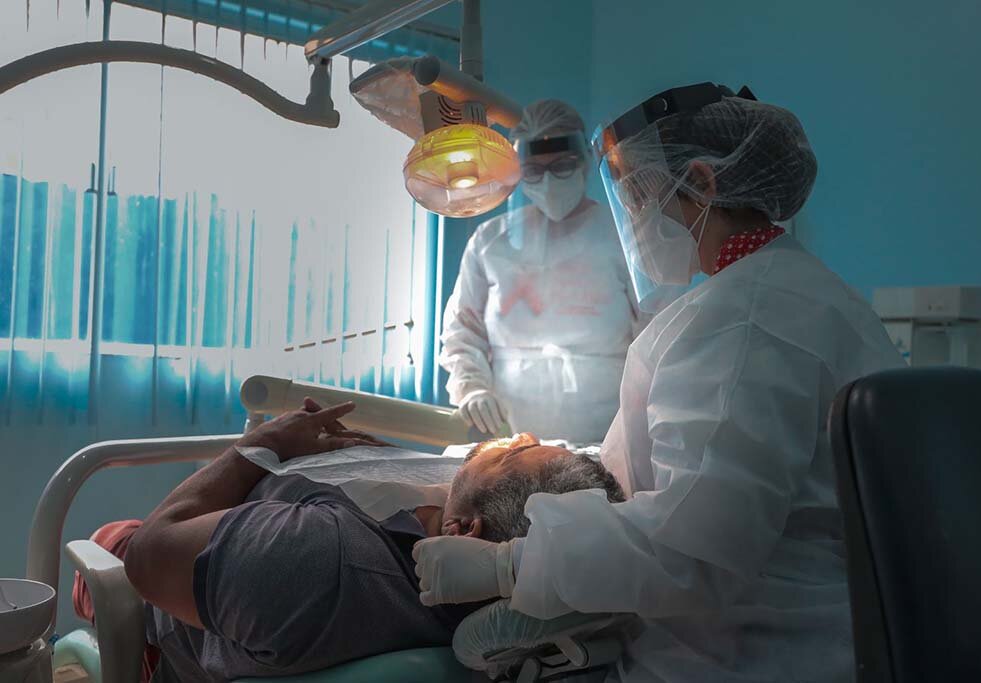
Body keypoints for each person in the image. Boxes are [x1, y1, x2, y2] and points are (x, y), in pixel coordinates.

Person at [413, 83, 906, 682]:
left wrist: (509, 566)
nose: (632, 215)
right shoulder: (780, 292)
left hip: (752, 655)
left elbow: (696, 547)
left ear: (701, 182)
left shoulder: (743, 320)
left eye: (637, 193)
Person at [120, 401, 623, 682]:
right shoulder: (440, 562)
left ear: (465, 531)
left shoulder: (315, 561)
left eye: (513, 453)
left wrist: (262, 445)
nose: (522, 435)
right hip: (235, 544)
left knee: (112, 542)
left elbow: (146, 557)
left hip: (152, 611)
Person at [440, 99, 646, 443]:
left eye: (561, 165)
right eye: (534, 170)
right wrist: (472, 387)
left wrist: (643, 419)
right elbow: (462, 331)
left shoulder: (624, 236)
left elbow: (655, 335)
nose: (548, 180)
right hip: (512, 436)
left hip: (609, 433)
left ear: (585, 160)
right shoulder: (491, 241)